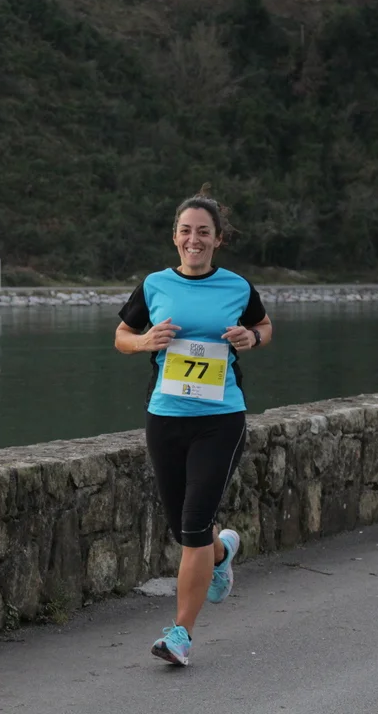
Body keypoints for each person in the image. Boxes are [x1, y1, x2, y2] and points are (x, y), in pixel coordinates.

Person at [114, 184, 273, 666]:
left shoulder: (237, 287)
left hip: (220, 420)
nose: (194, 239)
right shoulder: (155, 285)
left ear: (218, 239)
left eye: (203, 232)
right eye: (186, 231)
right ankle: (221, 554)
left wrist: (251, 338)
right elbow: (121, 336)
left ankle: (180, 633)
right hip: (165, 419)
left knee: (193, 525)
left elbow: (265, 327)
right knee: (186, 530)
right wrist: (145, 342)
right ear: (175, 237)